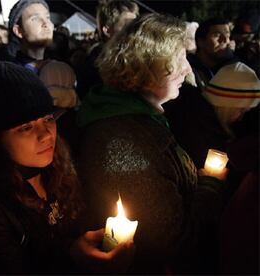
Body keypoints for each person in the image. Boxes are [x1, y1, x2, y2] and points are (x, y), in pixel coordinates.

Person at [0, 61, 135, 274]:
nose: (46, 134)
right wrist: (71, 256)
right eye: (27, 127)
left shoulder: (60, 165)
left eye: (48, 119)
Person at [77, 13, 224, 274]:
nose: (187, 69)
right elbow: (172, 242)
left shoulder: (140, 119)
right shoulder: (120, 142)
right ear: (144, 66)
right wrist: (210, 186)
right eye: (177, 59)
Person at [165, 62, 260, 168]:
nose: (241, 117)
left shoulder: (209, 118)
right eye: (241, 110)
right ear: (227, 104)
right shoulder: (198, 128)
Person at [77, 0, 139, 100]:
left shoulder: (133, 58)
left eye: (135, 25)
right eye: (127, 25)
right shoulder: (95, 65)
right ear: (107, 30)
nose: (134, 31)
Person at [188, 17, 237, 90]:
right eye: (217, 36)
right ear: (201, 42)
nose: (226, 40)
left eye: (227, 35)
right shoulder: (188, 72)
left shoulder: (233, 68)